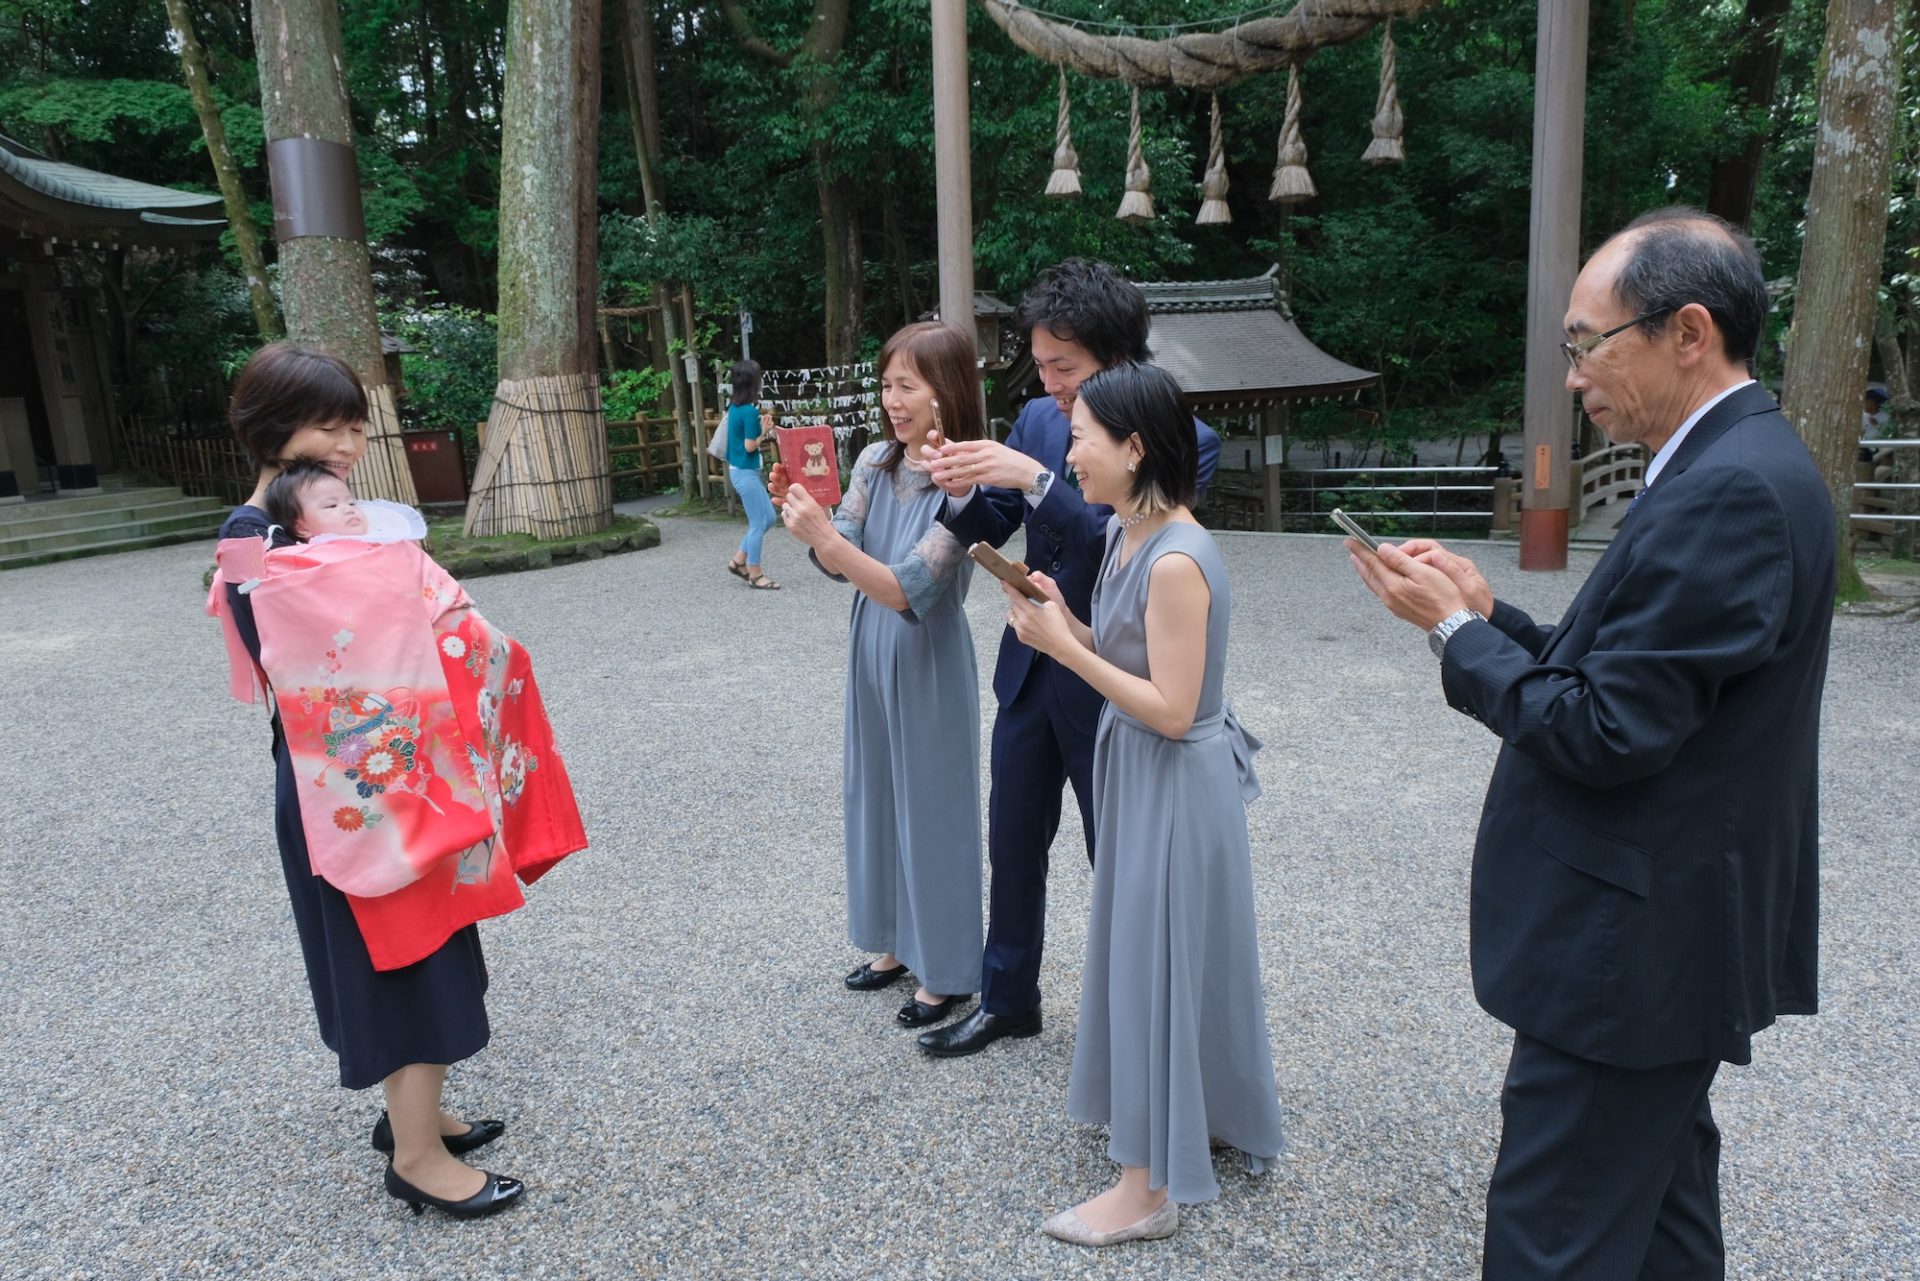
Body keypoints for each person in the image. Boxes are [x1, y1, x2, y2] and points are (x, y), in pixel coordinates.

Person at [1346, 208, 1834, 1279]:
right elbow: (1623, 674)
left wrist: (1453, 633)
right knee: (1660, 1223)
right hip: (1661, 940)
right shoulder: (1731, 461)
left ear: (1687, 332)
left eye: (1587, 343)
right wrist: (1491, 613)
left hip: (1630, 950)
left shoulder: (1732, 489)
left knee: (1551, 1241)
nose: (1574, 375)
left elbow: (1607, 730)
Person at [212, 343, 584, 1220]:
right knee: (403, 957)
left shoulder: (304, 519)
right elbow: (307, 646)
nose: (347, 446)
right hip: (346, 786)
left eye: (354, 429)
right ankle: (416, 1157)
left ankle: (418, 1117)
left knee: (432, 940)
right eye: (330, 427)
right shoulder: (253, 534)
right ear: (274, 429)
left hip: (382, 768)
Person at [1001, 361, 1282, 1247]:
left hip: (1174, 777)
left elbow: (1170, 705)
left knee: (1153, 959)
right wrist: (1064, 618)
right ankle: (1180, 1122)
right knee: (1154, 953)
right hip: (1144, 770)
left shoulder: (1176, 557)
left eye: (1082, 434)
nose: (1068, 449)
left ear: (1134, 446)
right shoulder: (1128, 533)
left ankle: (1147, 1188)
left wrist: (1063, 649)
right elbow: (1129, 657)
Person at [915, 259, 1222, 1058]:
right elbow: (997, 515)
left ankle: (1137, 1023)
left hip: (1116, 677)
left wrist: (1039, 476)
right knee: (1013, 836)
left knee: (1115, 853)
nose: (1048, 383)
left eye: (1065, 367)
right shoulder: (1035, 417)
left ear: (1117, 359)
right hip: (1031, 661)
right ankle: (1008, 996)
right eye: (1042, 363)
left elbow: (1123, 536)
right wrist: (957, 484)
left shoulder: (1185, 436)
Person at [778, 321, 985, 1029]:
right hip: (869, 644)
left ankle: (949, 966)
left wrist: (827, 537)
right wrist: (809, 523)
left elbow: (908, 586)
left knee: (934, 807)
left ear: (946, 390)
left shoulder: (966, 479)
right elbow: (841, 558)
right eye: (887, 384)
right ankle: (893, 940)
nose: (892, 400)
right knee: (876, 794)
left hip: (926, 651)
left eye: (908, 385)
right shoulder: (875, 461)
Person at [723, 359, 780, 590]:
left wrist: (760, 427)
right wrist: (764, 432)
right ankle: (755, 573)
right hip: (745, 472)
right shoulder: (747, 411)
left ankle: (738, 561)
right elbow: (749, 446)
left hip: (741, 471)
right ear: (752, 382)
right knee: (758, 523)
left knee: (769, 519)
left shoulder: (735, 408)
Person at [261, 459, 369, 541]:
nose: (349, 509)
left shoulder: (379, 534)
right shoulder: (313, 559)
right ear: (302, 528)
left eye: (351, 503)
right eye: (332, 505)